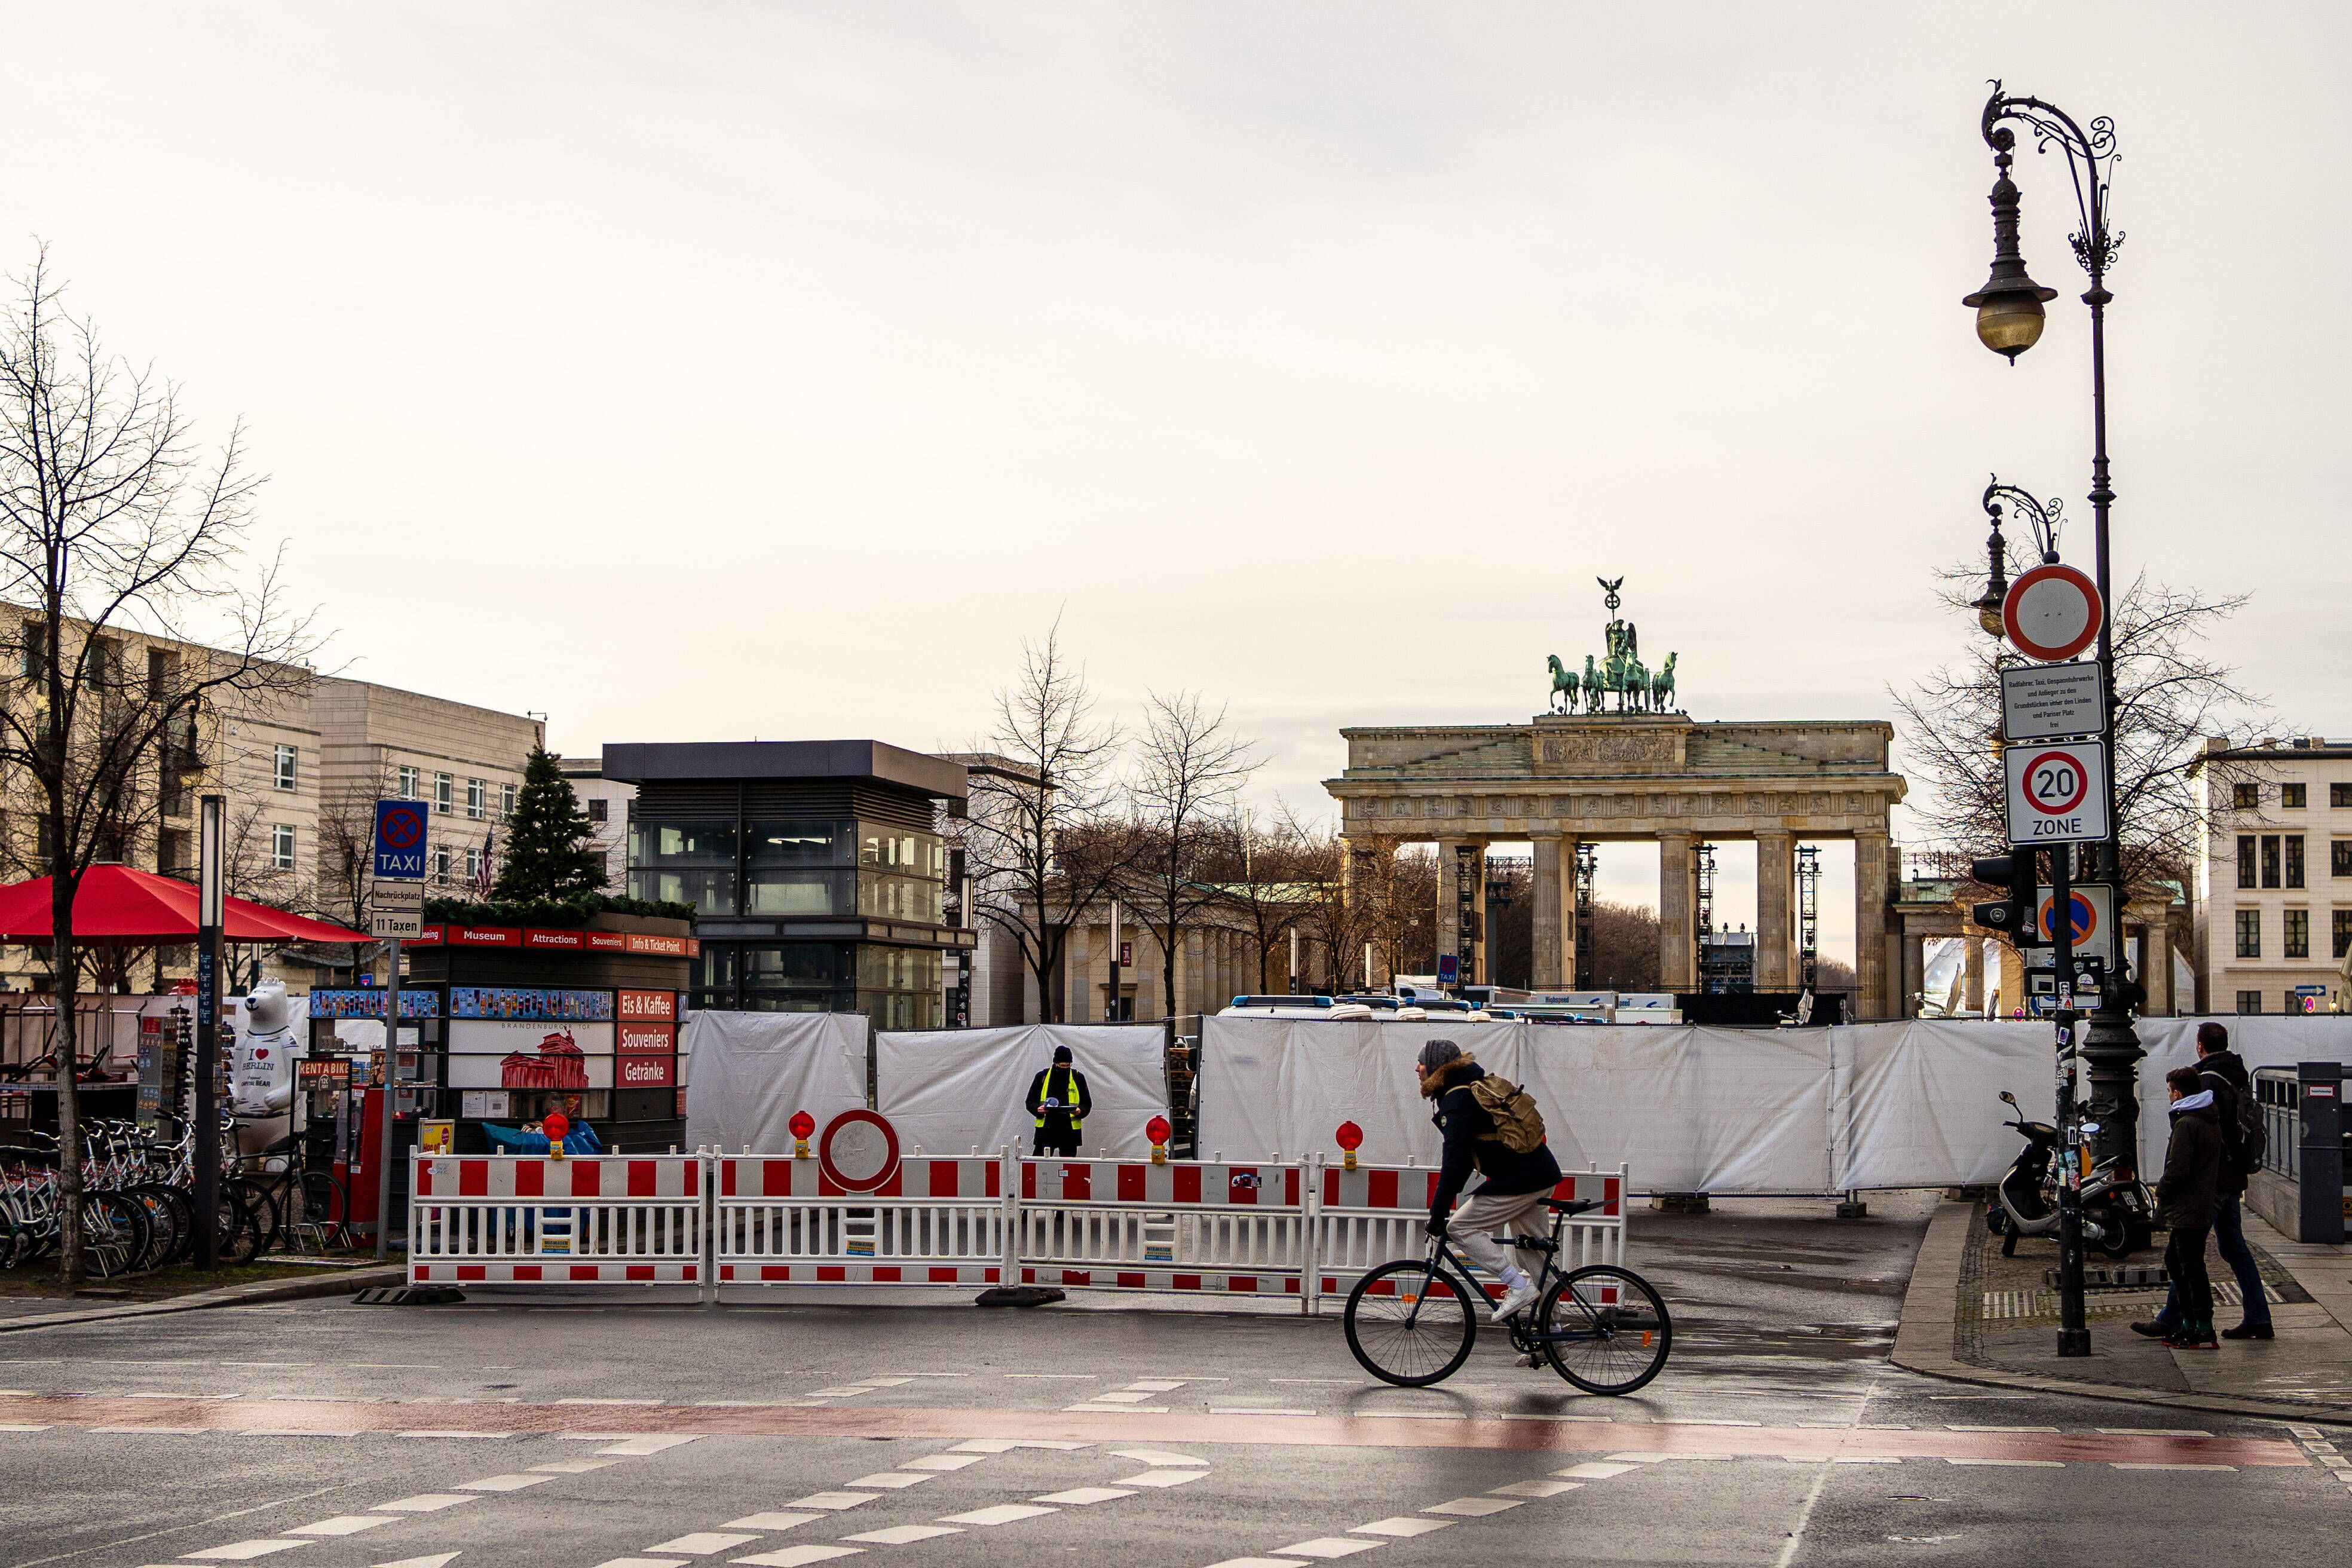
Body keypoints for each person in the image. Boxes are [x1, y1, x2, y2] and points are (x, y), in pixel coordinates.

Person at [2132, 1022, 2274, 1342]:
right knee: (2232, 1248)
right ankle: (2258, 1317)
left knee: (2184, 1252)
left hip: (2212, 1181)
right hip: (2232, 1175)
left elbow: (2205, 1133)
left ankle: (2177, 1319)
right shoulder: (2237, 1075)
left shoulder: (2208, 1081)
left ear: (2200, 1046)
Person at [1418, 1038, 1563, 1322]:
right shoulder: (1469, 1088)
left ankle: (1517, 1285)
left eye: (1422, 1062)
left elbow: (1455, 1164)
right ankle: (1554, 1336)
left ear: (1436, 1067)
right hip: (1537, 1174)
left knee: (1461, 1227)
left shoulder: (1458, 1099)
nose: (1417, 1068)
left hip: (1521, 1179)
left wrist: (1438, 1214)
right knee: (1533, 1257)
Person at [2151, 1063, 2223, 1350]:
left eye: (2169, 1091)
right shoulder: (2207, 1119)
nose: (2169, 1096)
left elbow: (2179, 1169)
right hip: (2199, 1205)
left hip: (2189, 1207)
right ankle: (2191, 1324)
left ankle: (2200, 1327)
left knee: (2191, 1267)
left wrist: (2161, 1189)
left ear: (2178, 1093)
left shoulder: (2187, 1124)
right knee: (2178, 1261)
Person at [1025, 1045, 1091, 1157]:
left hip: (1069, 1131)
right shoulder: (1042, 1077)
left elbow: (1087, 1104)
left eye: (1068, 1066)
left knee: (1068, 1168)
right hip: (1046, 1130)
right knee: (1040, 1165)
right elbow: (1030, 1102)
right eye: (1062, 1066)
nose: (1065, 1068)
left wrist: (1080, 1111)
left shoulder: (1078, 1078)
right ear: (1055, 1063)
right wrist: (1038, 1109)